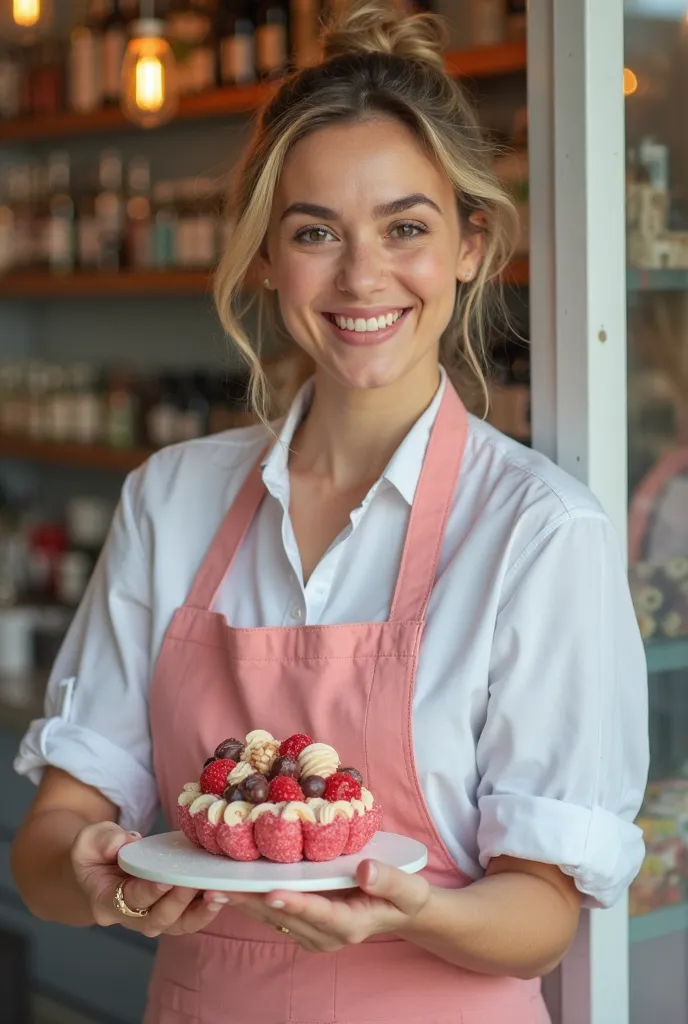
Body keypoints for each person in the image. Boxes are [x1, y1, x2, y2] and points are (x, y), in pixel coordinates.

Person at [11, 3, 648, 1022]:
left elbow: (544, 908)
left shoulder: (537, 529)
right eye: (315, 233)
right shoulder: (169, 497)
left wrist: (403, 913)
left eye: (405, 228)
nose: (361, 276)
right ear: (265, 257)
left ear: (470, 246)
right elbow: (53, 840)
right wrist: (94, 877)